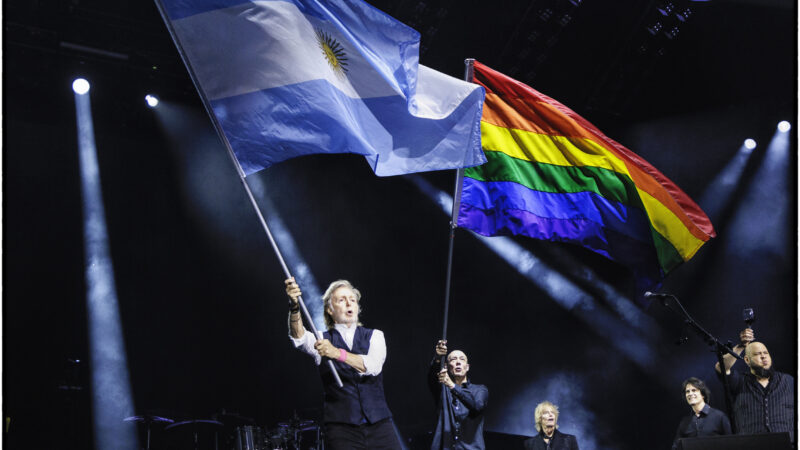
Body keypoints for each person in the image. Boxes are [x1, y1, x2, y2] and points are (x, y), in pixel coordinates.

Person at [285, 277, 402, 450]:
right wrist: (294, 308)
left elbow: (373, 366)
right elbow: (299, 338)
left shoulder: (375, 335)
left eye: (352, 300)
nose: (349, 303)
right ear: (330, 310)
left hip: (379, 424)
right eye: (341, 300)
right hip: (341, 429)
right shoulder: (321, 339)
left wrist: (336, 353)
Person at [714, 328, 794, 442]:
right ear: (747, 360)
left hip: (787, 444)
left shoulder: (788, 381)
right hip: (751, 445)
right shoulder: (739, 381)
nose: (763, 356)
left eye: (766, 353)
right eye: (758, 354)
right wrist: (741, 346)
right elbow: (721, 367)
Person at [428, 340, 488, 449]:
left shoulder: (480, 389)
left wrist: (452, 386)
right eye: (453, 359)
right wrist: (437, 358)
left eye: (462, 359)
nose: (458, 362)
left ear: (467, 367)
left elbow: (477, 406)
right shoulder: (443, 390)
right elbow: (432, 377)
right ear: (446, 366)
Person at [671, 377, 731, 449]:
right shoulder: (685, 422)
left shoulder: (719, 417)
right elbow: (676, 447)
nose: (690, 394)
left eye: (694, 390)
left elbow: (731, 443)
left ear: (703, 394)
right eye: (687, 391)